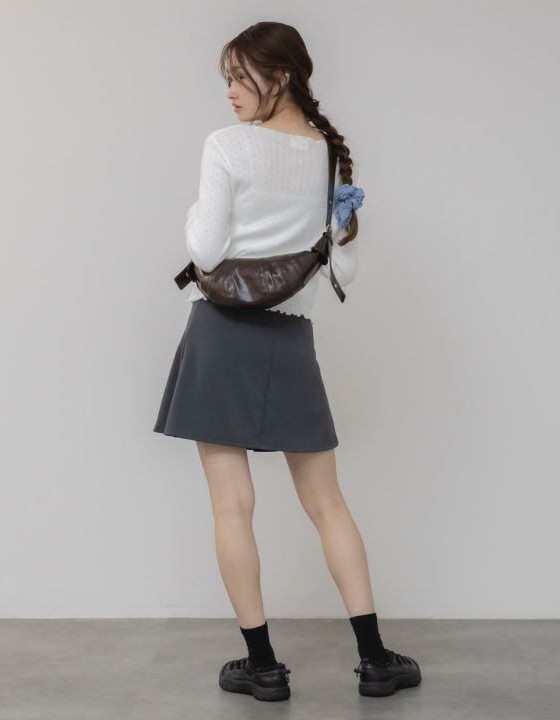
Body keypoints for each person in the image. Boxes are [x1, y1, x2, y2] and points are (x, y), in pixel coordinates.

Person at [153, 21, 421, 702]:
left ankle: (264, 667)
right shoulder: (330, 156)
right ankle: (375, 661)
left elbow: (205, 251)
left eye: (241, 77)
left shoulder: (228, 146)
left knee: (231, 507)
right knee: (328, 503)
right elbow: (344, 271)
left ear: (282, 76)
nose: (230, 92)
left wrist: (193, 210)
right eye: (227, 79)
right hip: (289, 339)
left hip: (221, 335)